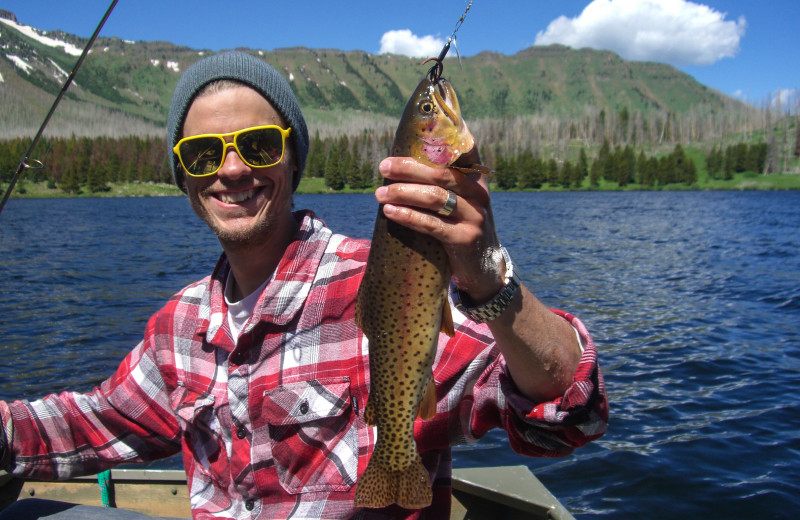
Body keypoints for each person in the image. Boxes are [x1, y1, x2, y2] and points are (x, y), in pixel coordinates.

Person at [0, 51, 608, 519]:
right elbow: (94, 422)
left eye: (258, 146)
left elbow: (567, 411)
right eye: (204, 154)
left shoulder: (381, 286)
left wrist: (484, 271)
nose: (233, 169)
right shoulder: (178, 327)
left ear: (294, 159)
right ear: (183, 177)